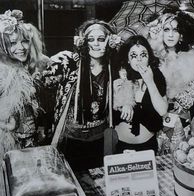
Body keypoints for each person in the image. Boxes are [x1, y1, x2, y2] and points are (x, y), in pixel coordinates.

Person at [42, 19, 120, 170]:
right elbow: (42, 77)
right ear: (83, 42)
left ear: (109, 41)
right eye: (91, 39)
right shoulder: (69, 62)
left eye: (101, 39)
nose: (96, 44)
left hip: (100, 138)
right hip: (71, 138)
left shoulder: (113, 67)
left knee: (97, 182)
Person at [155, 10, 194, 144]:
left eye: (176, 30)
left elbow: (191, 100)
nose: (171, 34)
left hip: (181, 124)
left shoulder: (191, 60)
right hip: (154, 124)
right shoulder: (153, 61)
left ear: (182, 35)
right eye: (166, 29)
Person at [0, 10, 48, 160]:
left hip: (33, 139)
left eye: (25, 41)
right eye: (13, 43)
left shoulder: (34, 67)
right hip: (8, 141)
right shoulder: (3, 72)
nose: (21, 47)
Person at [113, 35, 168, 154]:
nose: (139, 59)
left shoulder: (156, 76)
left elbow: (163, 110)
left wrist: (150, 81)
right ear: (127, 59)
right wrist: (125, 101)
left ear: (149, 57)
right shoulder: (119, 76)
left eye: (143, 55)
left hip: (147, 147)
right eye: (134, 56)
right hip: (119, 146)